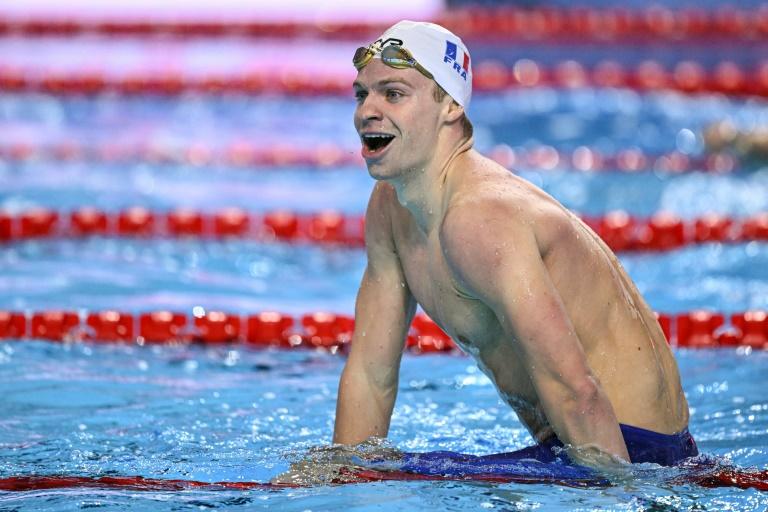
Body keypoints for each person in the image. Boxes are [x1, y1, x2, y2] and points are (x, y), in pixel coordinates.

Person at [333, 20, 697, 469]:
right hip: (571, 444)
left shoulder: (480, 219)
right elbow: (371, 373)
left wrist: (621, 497)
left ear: (449, 105)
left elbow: (576, 390)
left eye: (393, 94)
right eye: (361, 94)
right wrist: (341, 480)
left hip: (627, 453)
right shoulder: (391, 207)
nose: (367, 110)